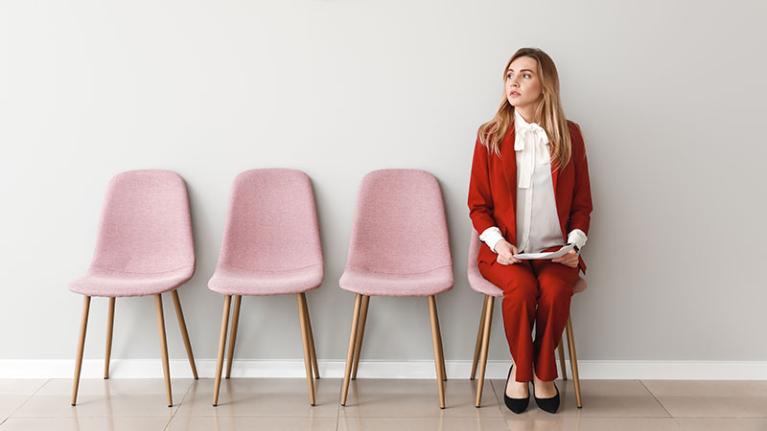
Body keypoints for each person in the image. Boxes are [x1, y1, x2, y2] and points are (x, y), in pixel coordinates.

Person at [467, 47, 593, 414]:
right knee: (521, 291)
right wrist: (497, 242)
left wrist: (574, 244)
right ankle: (528, 373)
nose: (514, 82)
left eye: (525, 74)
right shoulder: (490, 136)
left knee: (554, 291)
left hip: (556, 252)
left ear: (546, 84)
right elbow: (477, 205)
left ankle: (538, 371)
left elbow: (583, 204)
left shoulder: (571, 136)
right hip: (505, 252)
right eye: (510, 75)